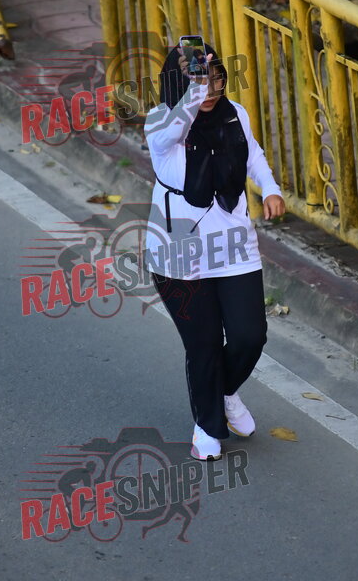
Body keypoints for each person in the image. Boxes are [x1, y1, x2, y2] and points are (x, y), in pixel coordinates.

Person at [143, 43, 285, 461]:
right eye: (198, 81)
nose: (210, 89)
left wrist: (270, 188)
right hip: (177, 251)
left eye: (215, 78)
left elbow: (252, 154)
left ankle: (224, 393)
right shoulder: (160, 120)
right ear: (177, 83)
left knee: (249, 335)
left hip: (233, 244)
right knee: (203, 344)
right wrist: (195, 89)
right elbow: (174, 131)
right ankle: (206, 427)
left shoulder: (235, 113)